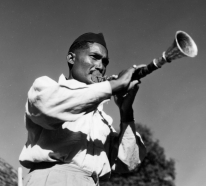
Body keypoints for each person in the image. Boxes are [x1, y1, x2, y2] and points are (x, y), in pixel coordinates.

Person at [19, 32, 147, 186]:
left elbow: (127, 162)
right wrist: (114, 86)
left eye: (105, 62)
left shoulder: (102, 119)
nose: (101, 66)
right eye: (94, 57)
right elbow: (48, 106)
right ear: (71, 58)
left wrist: (126, 110)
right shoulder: (46, 87)